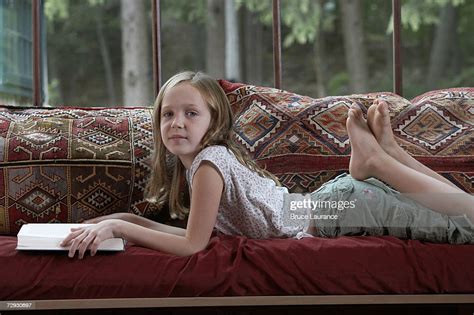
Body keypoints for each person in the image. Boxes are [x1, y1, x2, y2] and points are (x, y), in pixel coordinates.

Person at [61, 71, 474, 259]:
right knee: (466, 214)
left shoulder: (209, 164)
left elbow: (192, 245)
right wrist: (118, 220)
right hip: (332, 205)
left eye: (190, 113)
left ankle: (379, 160)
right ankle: (387, 157)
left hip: (336, 210)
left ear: (213, 122)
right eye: (168, 115)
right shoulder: (203, 164)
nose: (177, 123)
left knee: (470, 223)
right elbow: (188, 233)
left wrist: (120, 228)